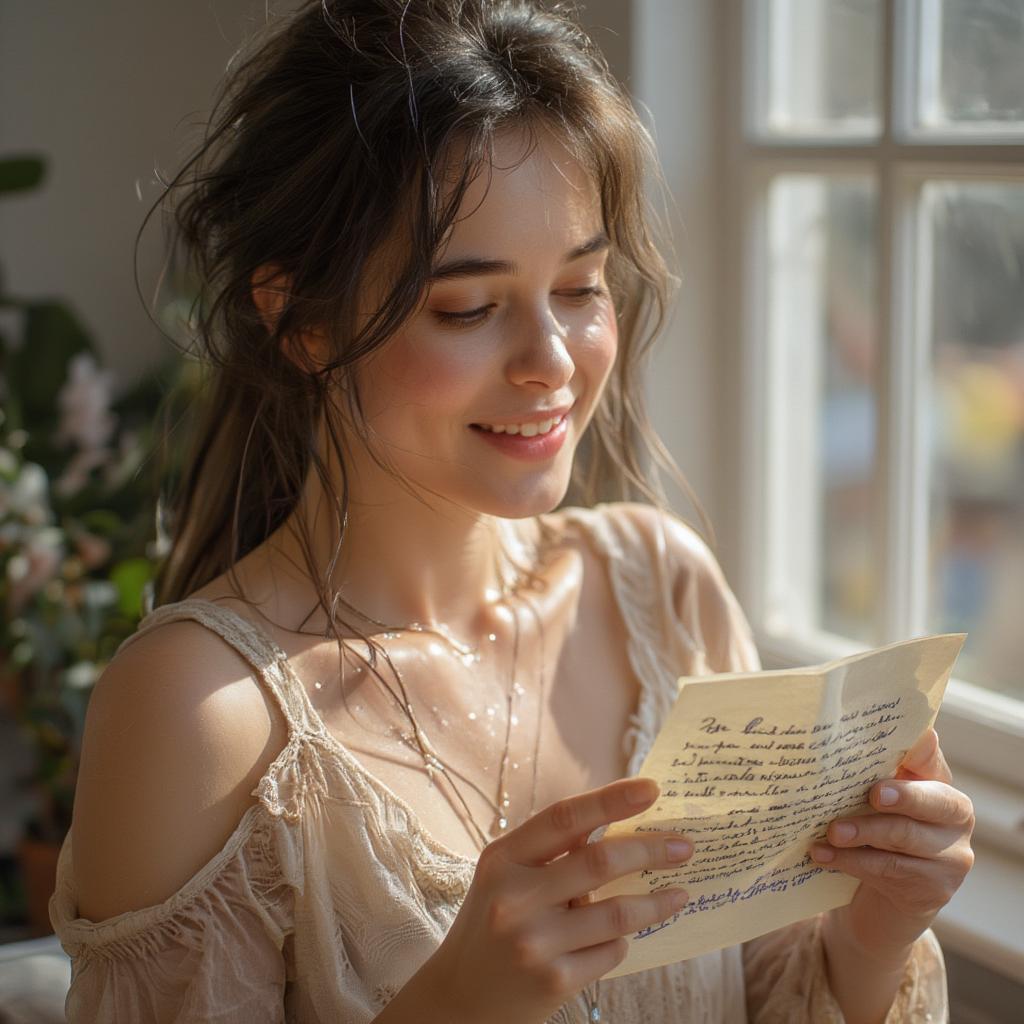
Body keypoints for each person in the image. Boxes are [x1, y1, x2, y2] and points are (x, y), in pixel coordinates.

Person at [48, 2, 974, 1021]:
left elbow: (763, 997)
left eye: (581, 287)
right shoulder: (201, 714)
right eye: (468, 308)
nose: (552, 364)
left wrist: (866, 936)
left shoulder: (659, 592)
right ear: (300, 321)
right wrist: (454, 1002)